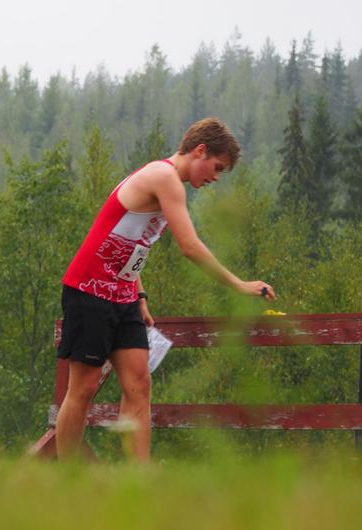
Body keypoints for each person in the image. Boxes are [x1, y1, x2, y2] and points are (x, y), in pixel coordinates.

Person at [56, 117, 275, 461]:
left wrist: (139, 294)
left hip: (124, 296)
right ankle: (66, 474)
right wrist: (239, 284)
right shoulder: (164, 177)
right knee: (83, 388)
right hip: (89, 291)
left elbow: (131, 242)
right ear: (199, 151)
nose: (216, 177)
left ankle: (140, 478)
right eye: (217, 167)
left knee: (139, 384)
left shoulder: (168, 182)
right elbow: (190, 246)